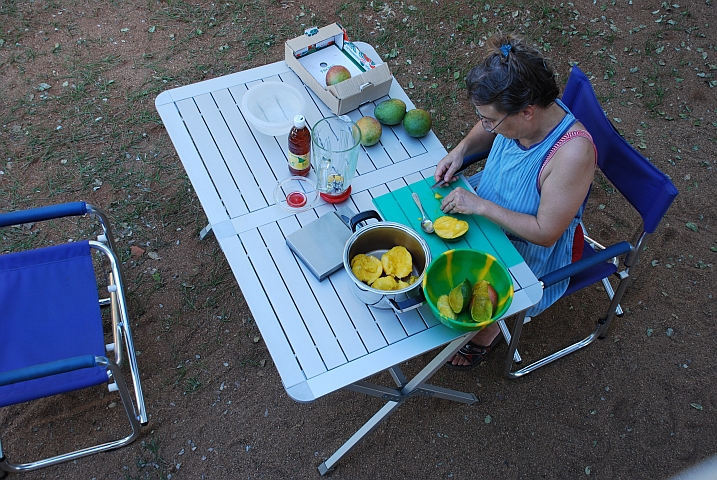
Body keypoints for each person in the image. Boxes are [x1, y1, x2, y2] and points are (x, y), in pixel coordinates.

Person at [434, 33, 597, 369]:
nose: (486, 127)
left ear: (526, 113)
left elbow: (545, 232)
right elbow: (486, 129)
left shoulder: (572, 154)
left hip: (530, 250)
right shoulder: (531, 106)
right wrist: (462, 149)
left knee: (455, 276)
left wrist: (480, 206)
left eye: (491, 120)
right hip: (486, 201)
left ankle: (490, 329)